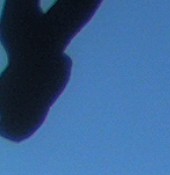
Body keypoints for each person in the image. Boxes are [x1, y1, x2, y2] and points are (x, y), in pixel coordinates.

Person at [0, 0, 103, 142]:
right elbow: (60, 67)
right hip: (35, 53)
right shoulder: (14, 127)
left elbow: (61, 66)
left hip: (35, 52)